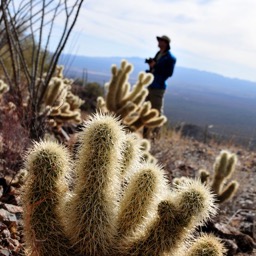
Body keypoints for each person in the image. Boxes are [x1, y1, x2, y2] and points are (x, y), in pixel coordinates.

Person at [143, 35, 176, 138]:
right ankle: (146, 133)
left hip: (159, 86)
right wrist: (151, 66)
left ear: (165, 43)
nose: (158, 42)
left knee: (156, 111)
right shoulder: (159, 54)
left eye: (160, 41)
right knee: (146, 108)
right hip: (151, 84)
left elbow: (169, 73)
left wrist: (155, 66)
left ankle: (155, 135)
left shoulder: (170, 58)